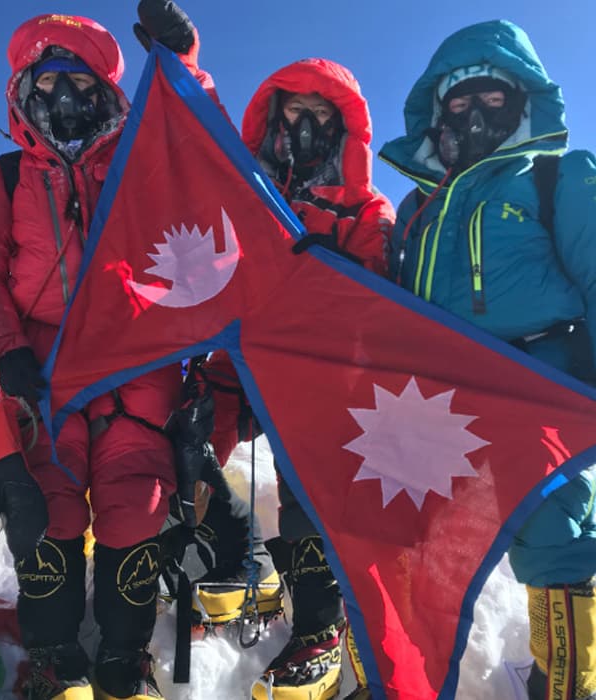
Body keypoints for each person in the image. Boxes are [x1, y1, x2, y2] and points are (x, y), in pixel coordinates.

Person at [0, 7, 218, 698]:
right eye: (47, 82)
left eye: (79, 81)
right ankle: (56, 655)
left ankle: (124, 660)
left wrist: (180, 63)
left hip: (137, 370)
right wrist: (4, 351)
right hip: (42, 376)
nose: (62, 98)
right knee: (50, 516)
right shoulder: (1, 181)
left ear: (106, 93)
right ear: (24, 95)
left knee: (137, 510)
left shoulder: (144, 169)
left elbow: (205, 153)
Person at [379, 20, 596, 700]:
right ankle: (411, 672)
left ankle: (566, 684)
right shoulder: (417, 207)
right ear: (437, 111)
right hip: (437, 393)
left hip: (538, 377)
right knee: (403, 531)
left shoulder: (556, 177)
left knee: (554, 529)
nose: (476, 112)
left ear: (524, 102)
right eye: (460, 100)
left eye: (494, 98)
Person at [187, 59, 393, 700]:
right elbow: (199, 132)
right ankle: (242, 564)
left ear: (342, 130)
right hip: (236, 357)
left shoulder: (365, 209)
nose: (305, 127)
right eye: (294, 113)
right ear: (274, 122)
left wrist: (342, 277)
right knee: (183, 455)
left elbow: (386, 296)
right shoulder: (245, 188)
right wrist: (186, 61)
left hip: (315, 373)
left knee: (306, 489)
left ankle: (319, 630)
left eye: (321, 115)